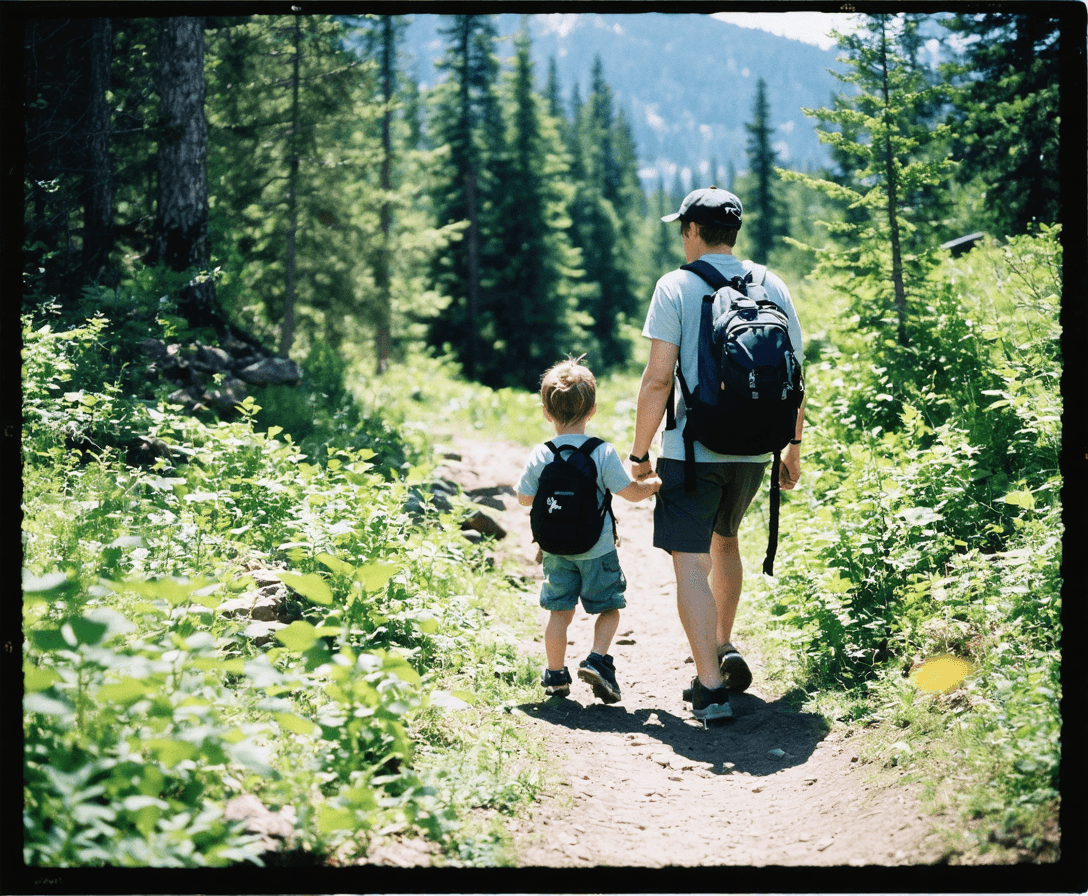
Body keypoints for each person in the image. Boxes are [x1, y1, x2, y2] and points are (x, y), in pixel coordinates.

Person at [628, 187, 806, 721]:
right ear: (734, 232)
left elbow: (658, 379)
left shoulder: (675, 286)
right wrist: (793, 447)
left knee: (690, 560)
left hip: (693, 449)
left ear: (690, 231)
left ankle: (709, 685)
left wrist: (640, 454)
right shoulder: (770, 282)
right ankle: (722, 643)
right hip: (755, 451)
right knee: (726, 543)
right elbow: (795, 375)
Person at [517, 356, 661, 704]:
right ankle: (597, 659)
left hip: (555, 549)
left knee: (559, 612)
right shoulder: (602, 452)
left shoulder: (541, 454)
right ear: (592, 410)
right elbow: (629, 493)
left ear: (546, 412)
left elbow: (524, 499)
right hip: (597, 548)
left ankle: (554, 675)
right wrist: (654, 483)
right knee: (609, 607)